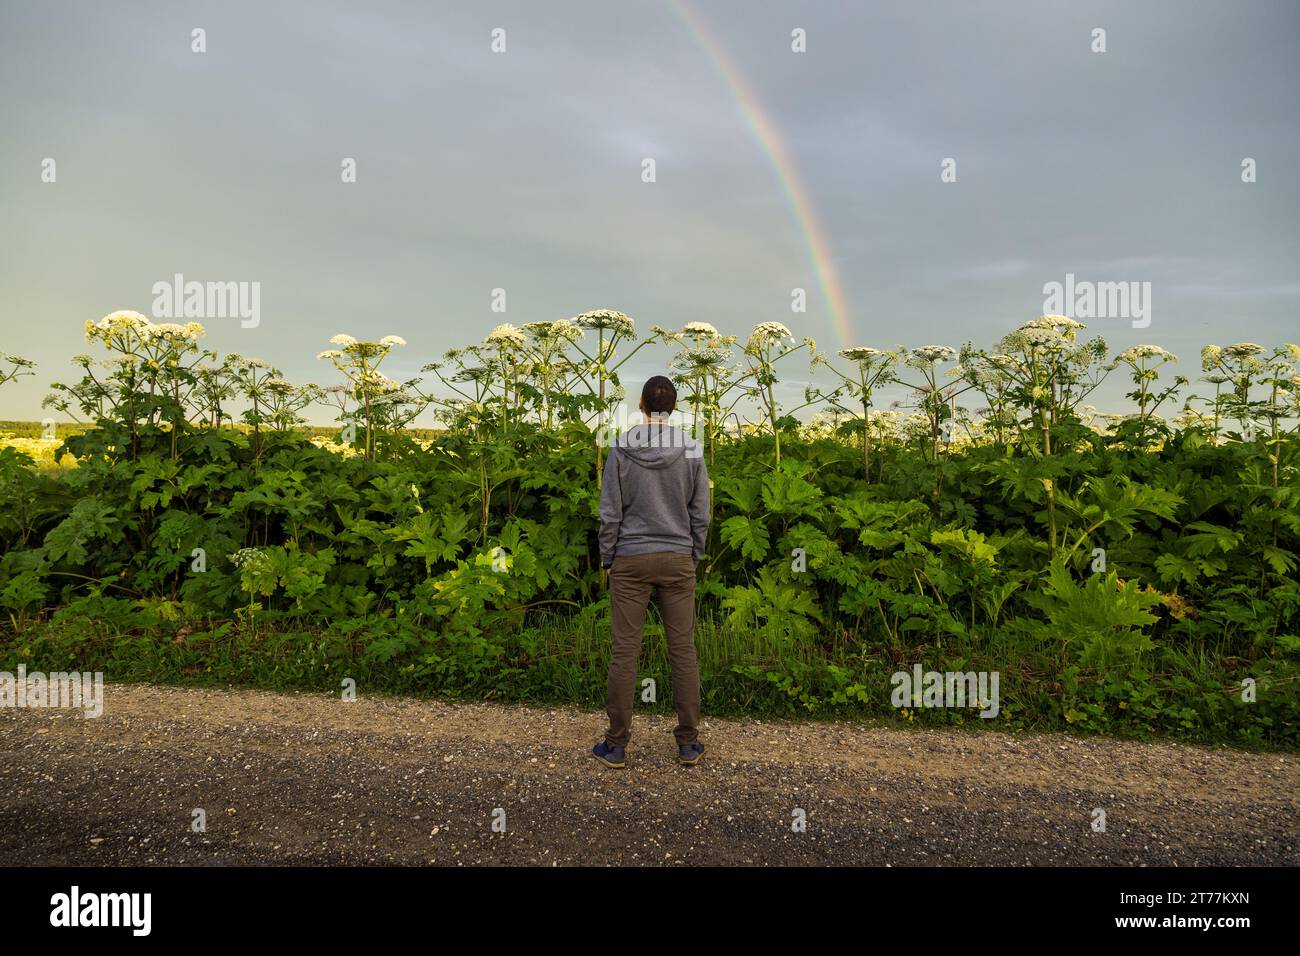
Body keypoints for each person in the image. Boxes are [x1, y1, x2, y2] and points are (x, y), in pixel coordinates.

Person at [592, 375, 711, 768]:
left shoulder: (622, 448)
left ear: (641, 405)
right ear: (674, 407)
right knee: (683, 648)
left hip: (630, 559)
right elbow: (700, 513)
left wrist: (608, 557)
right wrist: (693, 554)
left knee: (625, 649)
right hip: (678, 557)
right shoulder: (692, 448)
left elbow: (611, 512)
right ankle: (688, 743)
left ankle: (616, 745)